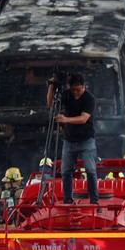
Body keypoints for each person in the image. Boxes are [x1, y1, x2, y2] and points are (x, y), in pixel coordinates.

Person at [48, 74, 99, 206]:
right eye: (73, 90)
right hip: (69, 140)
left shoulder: (89, 99)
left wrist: (66, 120)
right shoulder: (66, 95)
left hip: (86, 140)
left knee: (90, 170)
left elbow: (83, 118)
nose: (75, 92)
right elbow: (50, 105)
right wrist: (51, 87)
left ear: (84, 86)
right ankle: (68, 199)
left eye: (78, 89)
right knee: (65, 171)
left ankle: (94, 200)